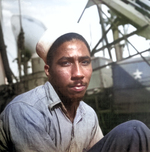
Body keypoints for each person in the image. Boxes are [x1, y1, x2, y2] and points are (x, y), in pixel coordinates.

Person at [0, 31, 150, 152]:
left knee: (134, 132)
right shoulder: (26, 109)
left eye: (85, 62)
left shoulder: (88, 114)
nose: (78, 73)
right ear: (48, 70)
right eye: (65, 63)